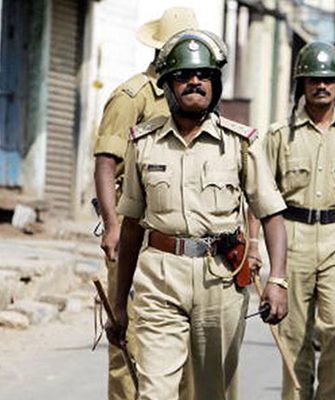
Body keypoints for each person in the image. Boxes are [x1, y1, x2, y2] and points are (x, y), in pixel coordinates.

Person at [108, 29, 289, 399]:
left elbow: (271, 215)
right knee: (154, 391)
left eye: (204, 75)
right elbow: (131, 227)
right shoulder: (143, 143)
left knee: (210, 391)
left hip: (219, 281)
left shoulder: (240, 143)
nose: (195, 82)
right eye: (184, 76)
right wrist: (119, 301)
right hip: (159, 279)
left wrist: (278, 281)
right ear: (168, 85)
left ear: (215, 84)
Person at [92, 7, 198, 400]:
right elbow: (106, 162)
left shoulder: (192, 95)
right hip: (134, 229)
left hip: (176, 236)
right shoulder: (132, 96)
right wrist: (112, 226)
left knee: (179, 346)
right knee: (129, 338)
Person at [263, 41, 335, 400]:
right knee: (294, 336)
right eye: (313, 79)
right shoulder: (279, 136)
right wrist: (252, 248)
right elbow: (260, 196)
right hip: (292, 237)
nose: (321, 86)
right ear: (302, 85)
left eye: (328, 80)